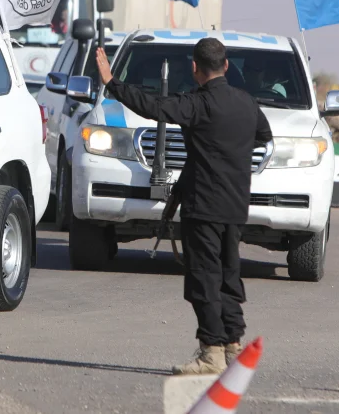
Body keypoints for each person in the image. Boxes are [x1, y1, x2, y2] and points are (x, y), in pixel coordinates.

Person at [94, 38, 272, 375]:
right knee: (227, 274)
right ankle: (233, 344)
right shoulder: (246, 103)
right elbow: (263, 135)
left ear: (194, 68)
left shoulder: (197, 104)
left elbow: (153, 105)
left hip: (204, 205)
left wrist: (112, 83)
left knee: (204, 277)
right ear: (227, 65)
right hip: (235, 205)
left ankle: (212, 352)